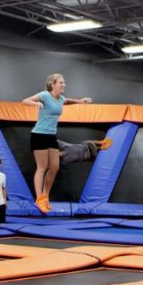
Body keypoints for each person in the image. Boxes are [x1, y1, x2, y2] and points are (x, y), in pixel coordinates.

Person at [22, 73, 92, 213]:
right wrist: (35, 103)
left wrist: (80, 101)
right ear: (53, 84)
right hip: (39, 134)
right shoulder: (44, 95)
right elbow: (25, 100)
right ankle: (39, 199)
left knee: (54, 167)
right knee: (42, 167)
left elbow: (67, 101)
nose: (64, 85)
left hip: (51, 136)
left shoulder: (61, 99)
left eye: (63, 82)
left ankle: (45, 196)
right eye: (61, 82)